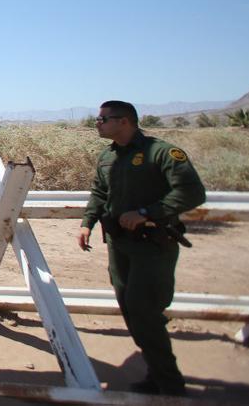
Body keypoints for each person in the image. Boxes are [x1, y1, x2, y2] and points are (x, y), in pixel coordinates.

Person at [77, 100, 206, 396]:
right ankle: (157, 374)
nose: (97, 123)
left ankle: (170, 385)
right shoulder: (108, 156)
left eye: (103, 119)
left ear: (124, 121)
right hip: (119, 245)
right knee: (131, 310)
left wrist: (148, 213)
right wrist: (87, 223)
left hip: (152, 245)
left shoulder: (162, 153)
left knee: (144, 310)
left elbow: (192, 192)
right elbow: (100, 193)